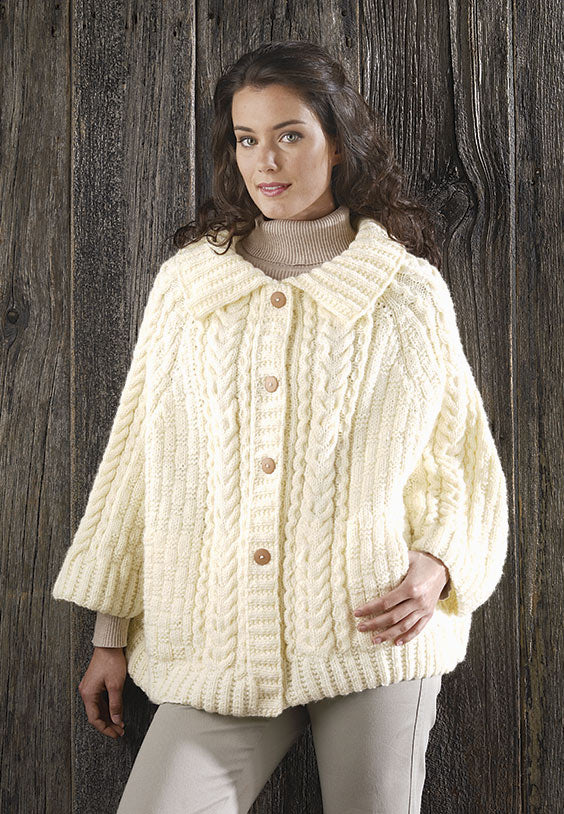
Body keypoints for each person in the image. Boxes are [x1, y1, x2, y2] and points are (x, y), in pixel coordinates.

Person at [52, 40, 509, 813]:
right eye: (247, 138)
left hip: (371, 641)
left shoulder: (404, 292)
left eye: (290, 134)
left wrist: (437, 564)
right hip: (216, 644)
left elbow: (459, 461)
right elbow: (139, 462)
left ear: (339, 142)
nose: (266, 161)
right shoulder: (191, 284)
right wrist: (110, 632)